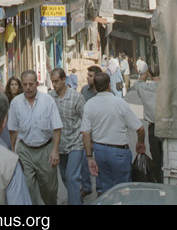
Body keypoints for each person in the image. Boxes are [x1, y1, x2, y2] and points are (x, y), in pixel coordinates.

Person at [81, 71, 146, 194]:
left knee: (105, 188)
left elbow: (85, 133)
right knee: (123, 189)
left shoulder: (89, 105)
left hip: (100, 150)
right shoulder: (119, 103)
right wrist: (140, 142)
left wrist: (89, 157)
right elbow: (140, 128)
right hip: (119, 151)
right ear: (109, 85)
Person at [8, 70, 62, 206]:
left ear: (37, 84)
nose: (28, 88)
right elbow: (13, 130)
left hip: (45, 149)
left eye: (31, 84)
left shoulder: (47, 101)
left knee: (49, 189)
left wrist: (55, 151)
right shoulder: (15, 103)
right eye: (25, 84)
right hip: (25, 150)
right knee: (27, 187)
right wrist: (12, 152)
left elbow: (57, 127)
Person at [50, 68, 86, 206]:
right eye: (52, 82)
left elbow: (86, 118)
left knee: (72, 176)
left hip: (76, 143)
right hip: (60, 145)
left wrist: (88, 140)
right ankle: (78, 200)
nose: (54, 85)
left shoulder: (76, 97)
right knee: (65, 177)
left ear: (64, 80)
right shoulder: (50, 97)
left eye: (57, 81)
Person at [135, 66, 163, 182]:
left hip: (153, 127)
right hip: (167, 126)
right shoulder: (167, 87)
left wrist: (146, 72)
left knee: (156, 159)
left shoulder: (145, 88)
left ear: (150, 75)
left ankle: (159, 182)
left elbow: (139, 81)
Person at [80, 65, 103, 198]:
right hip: (87, 132)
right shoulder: (84, 91)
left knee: (100, 161)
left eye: (90, 76)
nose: (87, 78)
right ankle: (86, 186)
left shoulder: (105, 91)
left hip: (101, 132)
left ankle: (100, 188)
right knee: (84, 160)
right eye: (87, 75)